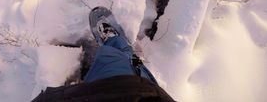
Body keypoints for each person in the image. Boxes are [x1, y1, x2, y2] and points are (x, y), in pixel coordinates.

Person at [32, 7, 176, 102]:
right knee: (135, 65)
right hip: (146, 93)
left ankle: (116, 44)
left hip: (110, 90)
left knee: (112, 58)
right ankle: (118, 44)